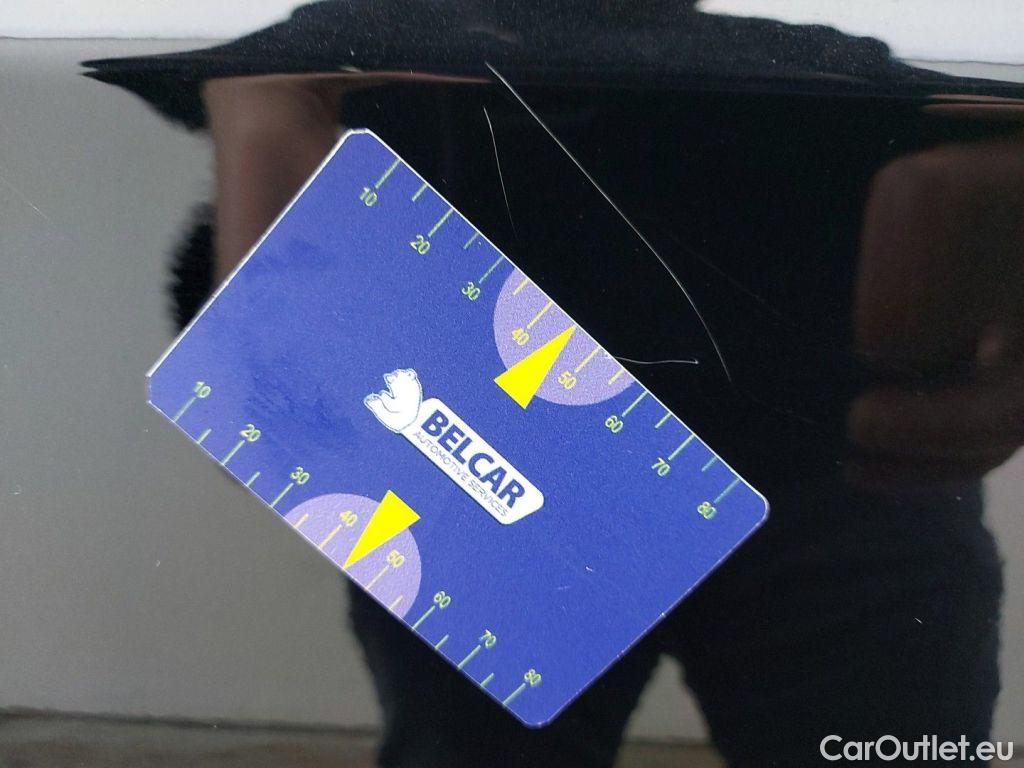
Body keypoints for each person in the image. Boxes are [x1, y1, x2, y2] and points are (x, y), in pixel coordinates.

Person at [87, 3, 1023, 764]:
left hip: (802, 490)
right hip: (493, 497)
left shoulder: (347, 43)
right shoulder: (349, 40)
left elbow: (275, 375)